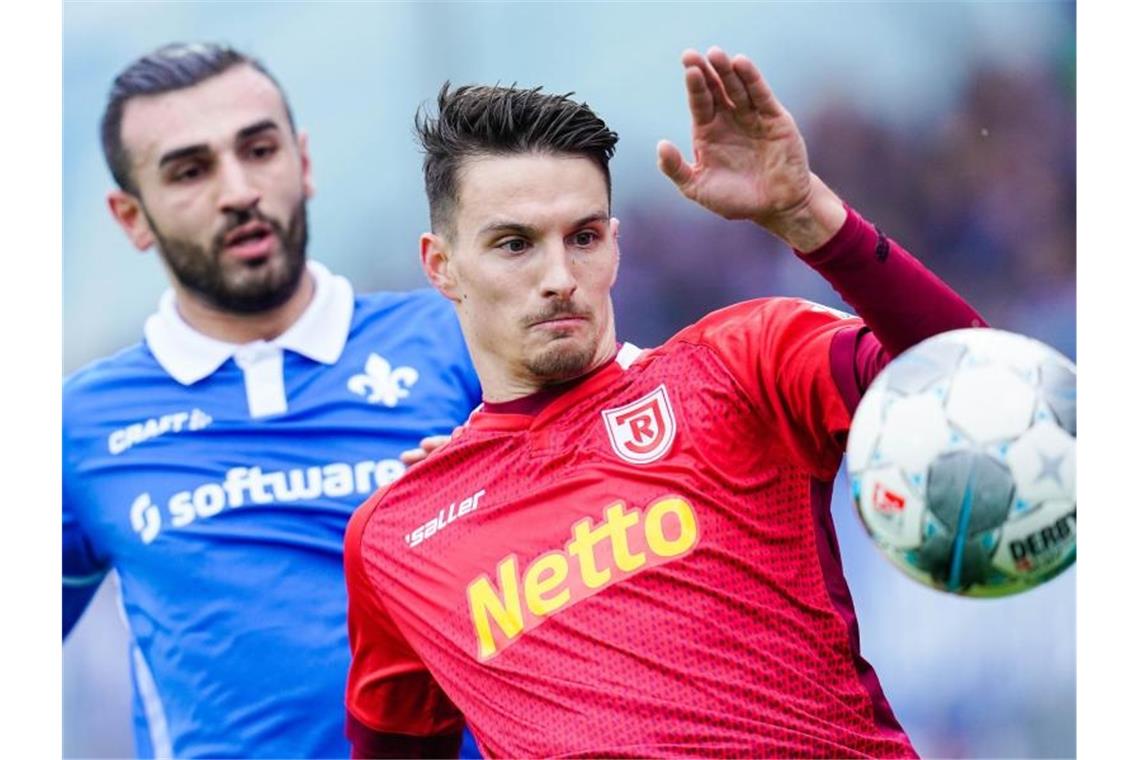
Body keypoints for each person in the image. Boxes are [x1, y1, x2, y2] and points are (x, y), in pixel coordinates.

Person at [344, 46, 989, 757]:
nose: (560, 276)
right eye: (515, 244)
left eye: (583, 237)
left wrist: (810, 216)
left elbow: (977, 384)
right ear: (442, 265)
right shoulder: (396, 537)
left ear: (615, 247)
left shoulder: (741, 364)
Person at [62, 43, 483, 758]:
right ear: (131, 216)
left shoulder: (463, 338)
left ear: (304, 162)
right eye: (191, 170)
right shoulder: (78, 427)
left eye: (259, 150)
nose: (239, 190)